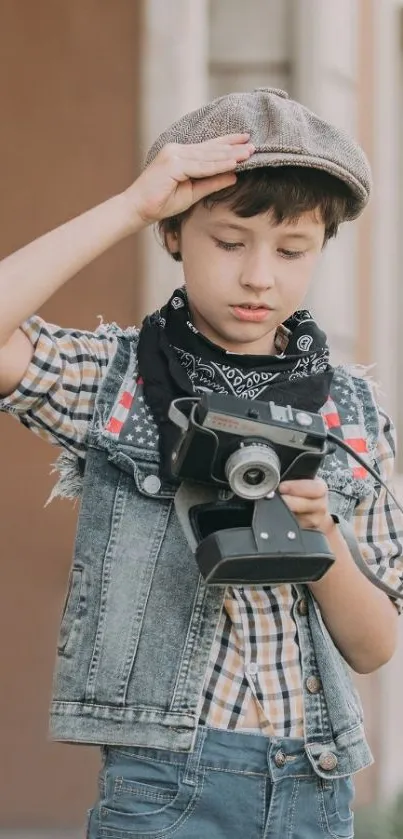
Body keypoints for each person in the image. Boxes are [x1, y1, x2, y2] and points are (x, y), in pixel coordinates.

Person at [0, 87, 402, 839]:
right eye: (229, 242)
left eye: (291, 251)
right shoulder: (118, 379)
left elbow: (376, 646)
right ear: (174, 235)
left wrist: (324, 541)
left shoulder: (349, 410)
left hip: (314, 781)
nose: (259, 277)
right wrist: (129, 206)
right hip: (162, 782)